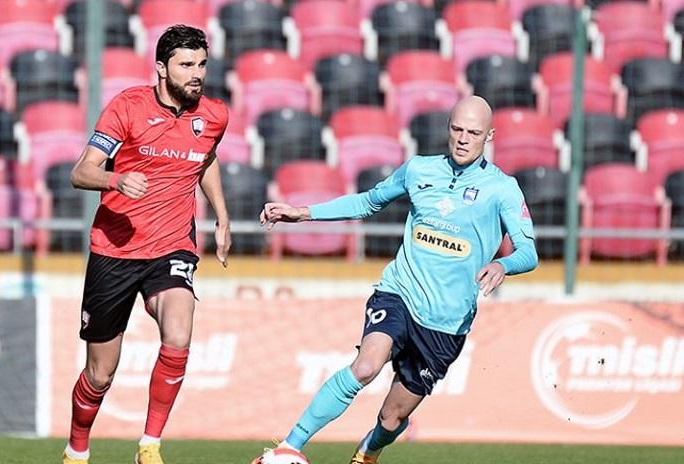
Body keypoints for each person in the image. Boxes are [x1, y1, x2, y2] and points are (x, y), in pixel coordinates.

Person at [252, 96, 538, 464]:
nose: (463, 139)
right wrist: (303, 213)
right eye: (457, 129)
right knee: (366, 366)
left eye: (473, 132)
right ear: (448, 129)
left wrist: (503, 265)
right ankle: (289, 447)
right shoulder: (419, 169)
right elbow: (368, 202)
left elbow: (529, 252)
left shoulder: (502, 188)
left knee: (392, 418)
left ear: (490, 136)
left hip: (446, 322)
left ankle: (369, 450)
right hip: (399, 293)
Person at [61, 25, 230, 464]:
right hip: (114, 250)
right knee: (100, 374)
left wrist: (222, 215)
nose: (197, 73)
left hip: (172, 247)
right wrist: (116, 179)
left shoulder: (214, 115)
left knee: (179, 328)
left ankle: (149, 445)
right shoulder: (127, 107)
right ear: (161, 68)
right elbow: (81, 171)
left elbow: (206, 158)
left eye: (202, 64)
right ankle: (77, 449)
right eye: (186, 65)